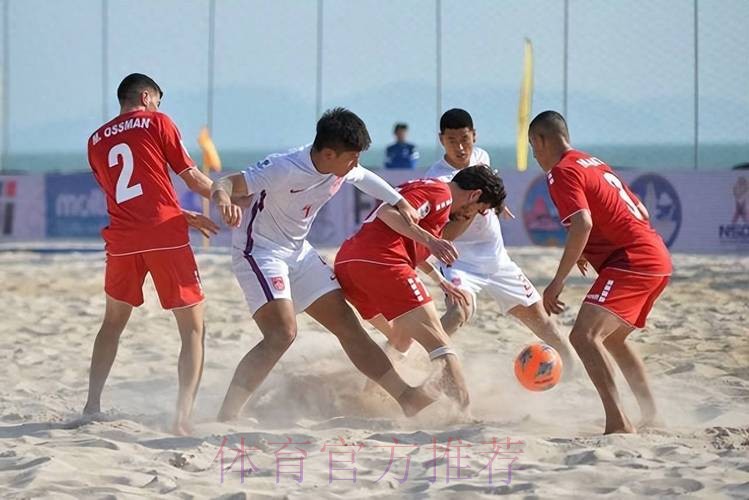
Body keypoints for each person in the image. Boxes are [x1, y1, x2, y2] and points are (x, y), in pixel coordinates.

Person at [211, 108, 454, 421]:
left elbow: (364, 177)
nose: (355, 163)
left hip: (299, 252)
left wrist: (399, 201)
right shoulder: (284, 167)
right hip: (260, 252)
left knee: (348, 326)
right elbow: (225, 183)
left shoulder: (342, 166)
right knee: (282, 334)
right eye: (352, 157)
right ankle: (226, 416)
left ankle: (406, 398)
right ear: (328, 154)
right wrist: (223, 200)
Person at [84, 73, 217, 435]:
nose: (159, 106)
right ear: (146, 96)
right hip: (163, 237)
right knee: (193, 328)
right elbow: (191, 177)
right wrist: (228, 195)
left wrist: (181, 213)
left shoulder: (95, 140)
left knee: (112, 323)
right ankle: (182, 417)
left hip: (122, 240)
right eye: (158, 99)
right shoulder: (158, 121)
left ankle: (91, 406)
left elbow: (126, 194)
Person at [528, 110, 672, 434]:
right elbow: (641, 212)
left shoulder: (560, 171)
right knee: (613, 340)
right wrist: (587, 248)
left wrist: (557, 281)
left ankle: (618, 422)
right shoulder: (592, 162)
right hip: (656, 258)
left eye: (532, 147)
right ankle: (652, 414)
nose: (535, 156)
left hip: (632, 262)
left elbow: (583, 223)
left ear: (540, 140)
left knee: (584, 336)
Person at [335, 166, 507, 407]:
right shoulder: (440, 193)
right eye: (479, 210)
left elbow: (408, 241)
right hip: (380, 261)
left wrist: (440, 280)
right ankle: (463, 412)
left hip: (350, 264)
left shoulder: (433, 197)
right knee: (440, 343)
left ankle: (369, 398)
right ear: (474, 195)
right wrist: (431, 241)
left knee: (401, 338)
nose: (471, 216)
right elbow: (386, 212)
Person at [423, 108, 574, 368]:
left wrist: (498, 203)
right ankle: (420, 359)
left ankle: (573, 369)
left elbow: (492, 186)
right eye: (451, 141)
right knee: (458, 312)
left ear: (474, 135)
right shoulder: (436, 180)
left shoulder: (481, 157)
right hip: (459, 261)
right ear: (441, 140)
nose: (460, 147)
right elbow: (443, 235)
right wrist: (471, 208)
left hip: (497, 259)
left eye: (465, 139)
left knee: (541, 320)